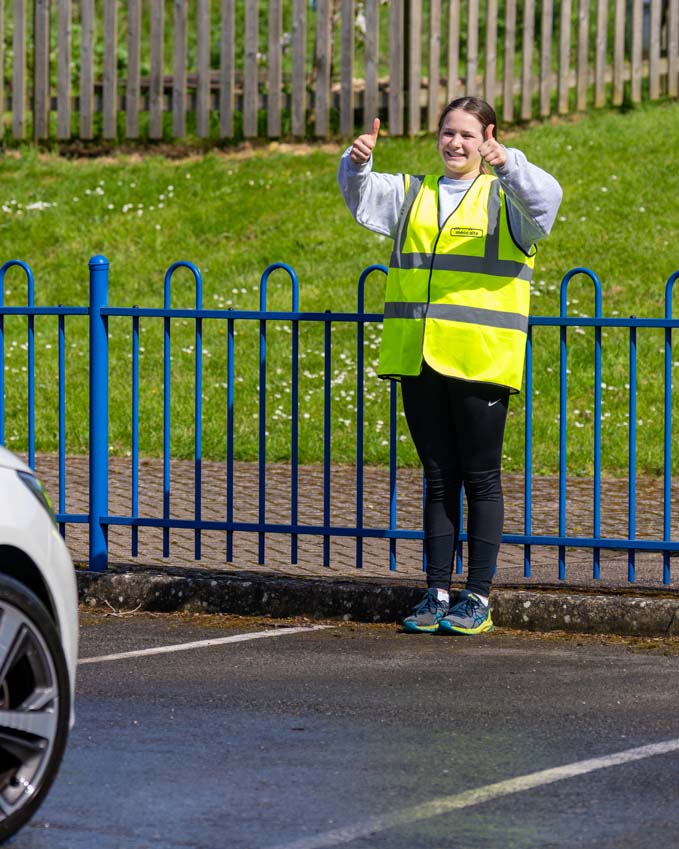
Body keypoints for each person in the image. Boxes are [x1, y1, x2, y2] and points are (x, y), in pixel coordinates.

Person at [337, 96, 562, 635]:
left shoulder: (504, 197)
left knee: (481, 479)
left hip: (479, 359)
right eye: (447, 133)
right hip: (419, 359)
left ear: (487, 137)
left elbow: (546, 204)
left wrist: (507, 162)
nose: (455, 144)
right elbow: (362, 196)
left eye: (466, 134)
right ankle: (436, 592)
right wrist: (357, 162)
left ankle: (477, 598)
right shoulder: (415, 193)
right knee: (439, 479)